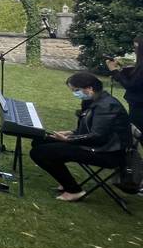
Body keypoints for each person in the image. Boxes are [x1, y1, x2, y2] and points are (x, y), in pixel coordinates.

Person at [30, 72, 132, 202]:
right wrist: (71, 132)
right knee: (40, 140)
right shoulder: (94, 100)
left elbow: (97, 136)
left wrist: (68, 140)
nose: (75, 94)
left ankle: (74, 190)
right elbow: (91, 129)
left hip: (108, 153)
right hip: (97, 145)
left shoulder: (107, 106)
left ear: (89, 88)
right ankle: (64, 179)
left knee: (39, 153)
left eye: (76, 90)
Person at [106, 35, 143, 133]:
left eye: (136, 48)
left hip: (139, 105)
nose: (135, 51)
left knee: (137, 132)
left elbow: (132, 85)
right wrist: (124, 68)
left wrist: (114, 71)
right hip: (137, 103)